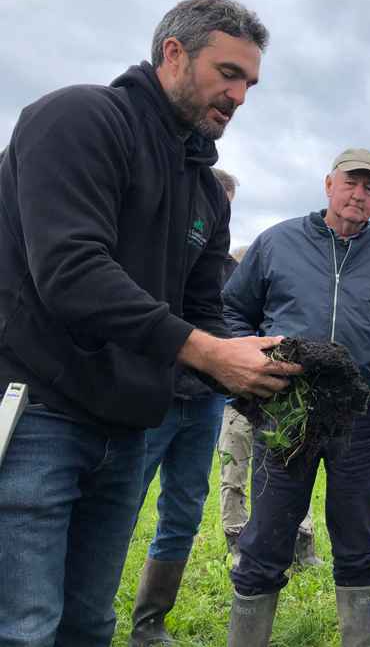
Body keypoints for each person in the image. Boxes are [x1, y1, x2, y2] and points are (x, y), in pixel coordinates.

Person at [0, 0, 298, 647]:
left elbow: (201, 312)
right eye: (228, 73)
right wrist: (208, 353)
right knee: (23, 629)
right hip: (39, 421)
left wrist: (257, 370)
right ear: (172, 55)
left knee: (88, 625)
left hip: (126, 430)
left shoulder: (200, 187)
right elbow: (71, 273)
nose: (240, 95)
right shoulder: (78, 121)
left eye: (249, 82)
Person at [222, 148, 370, 646]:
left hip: (361, 414)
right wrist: (253, 370)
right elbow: (234, 312)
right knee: (266, 537)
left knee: (357, 537)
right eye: (350, 183)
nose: (359, 194)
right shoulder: (276, 242)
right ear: (328, 184)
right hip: (286, 411)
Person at [127, 168, 247, 646]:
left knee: (184, 510)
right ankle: (86, 611)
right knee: (122, 506)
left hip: (204, 405)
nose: (220, 206)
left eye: (229, 199)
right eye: (216, 196)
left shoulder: (231, 270)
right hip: (153, 399)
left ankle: (149, 623)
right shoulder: (160, 254)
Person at [217, 242, 324, 572]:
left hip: (282, 395)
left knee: (293, 463)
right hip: (238, 396)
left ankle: (301, 541)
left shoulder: (289, 298)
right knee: (234, 465)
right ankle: (236, 541)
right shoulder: (231, 299)